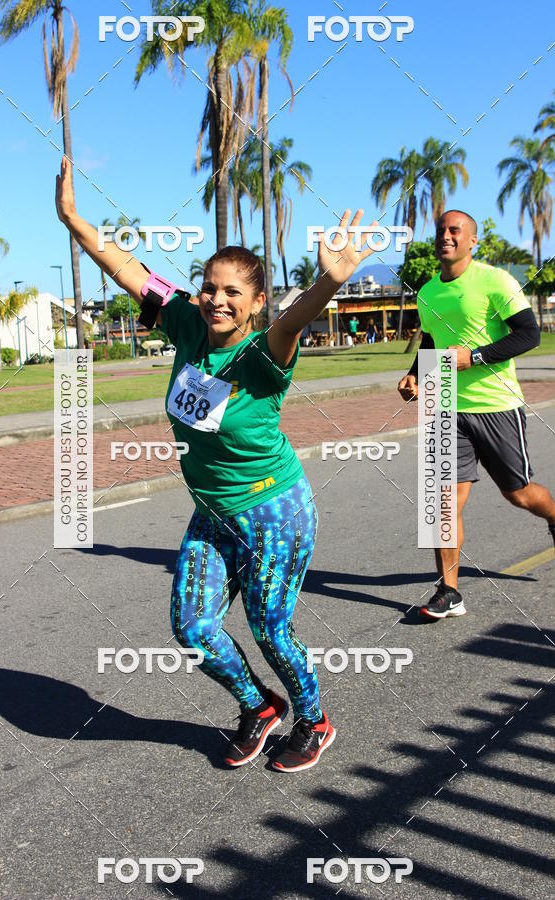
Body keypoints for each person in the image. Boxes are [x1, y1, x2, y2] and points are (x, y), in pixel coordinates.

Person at [55, 156, 377, 771]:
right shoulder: (186, 324)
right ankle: (259, 707)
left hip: (273, 510)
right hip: (213, 513)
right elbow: (129, 270)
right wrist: (74, 219)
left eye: (233, 293)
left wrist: (329, 282)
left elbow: (293, 321)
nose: (217, 300)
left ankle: (314, 720)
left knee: (270, 627)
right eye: (210, 287)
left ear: (256, 303)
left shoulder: (264, 353)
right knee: (192, 626)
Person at [398, 209, 555, 620]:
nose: (446, 236)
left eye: (455, 230)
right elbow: (431, 342)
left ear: (472, 241)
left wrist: (477, 356)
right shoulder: (427, 291)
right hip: (444, 402)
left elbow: (530, 334)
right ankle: (449, 591)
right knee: (443, 500)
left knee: (519, 493)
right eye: (441, 230)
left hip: (495, 403)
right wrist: (416, 375)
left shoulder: (495, 280)